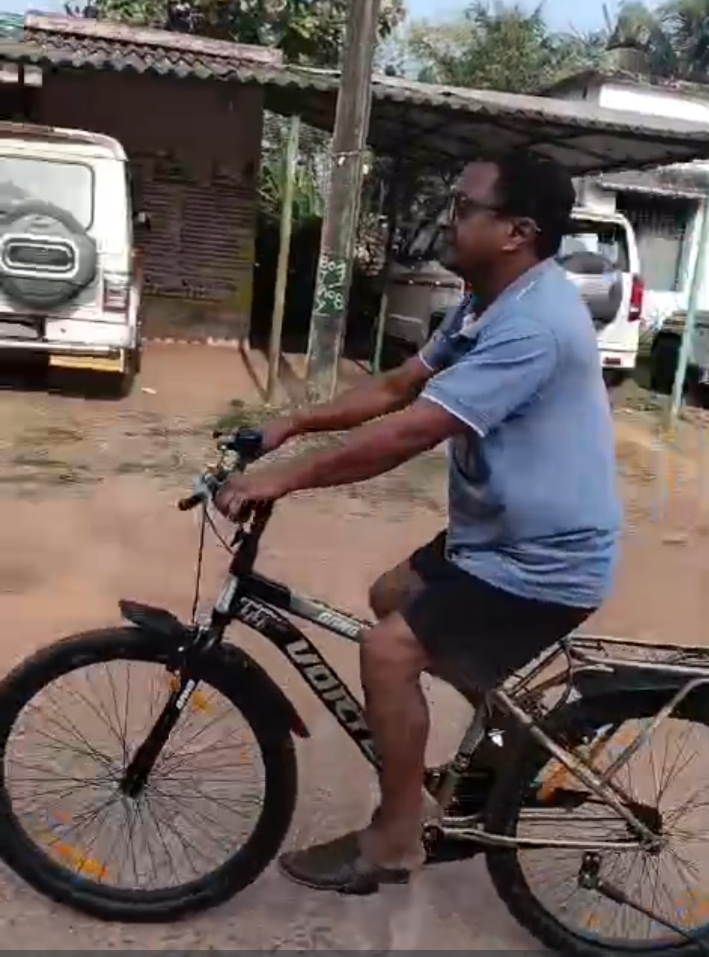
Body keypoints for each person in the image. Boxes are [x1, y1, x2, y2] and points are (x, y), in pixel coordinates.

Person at [215, 149, 622, 894]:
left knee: (388, 653)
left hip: (542, 561)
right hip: (493, 541)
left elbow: (411, 432)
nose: (447, 218)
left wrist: (282, 479)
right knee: (390, 594)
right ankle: (517, 742)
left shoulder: (534, 325)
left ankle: (397, 837)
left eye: (464, 208)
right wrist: (292, 425)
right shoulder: (486, 303)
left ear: (517, 232)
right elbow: (399, 386)